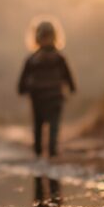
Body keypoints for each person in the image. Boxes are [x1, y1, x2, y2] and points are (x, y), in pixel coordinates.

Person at [18, 18, 76, 157]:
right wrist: (72, 87)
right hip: (55, 96)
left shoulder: (32, 59)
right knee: (53, 125)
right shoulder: (59, 58)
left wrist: (23, 89)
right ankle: (51, 148)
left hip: (38, 97)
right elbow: (68, 76)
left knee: (38, 124)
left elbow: (23, 80)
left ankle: (39, 149)